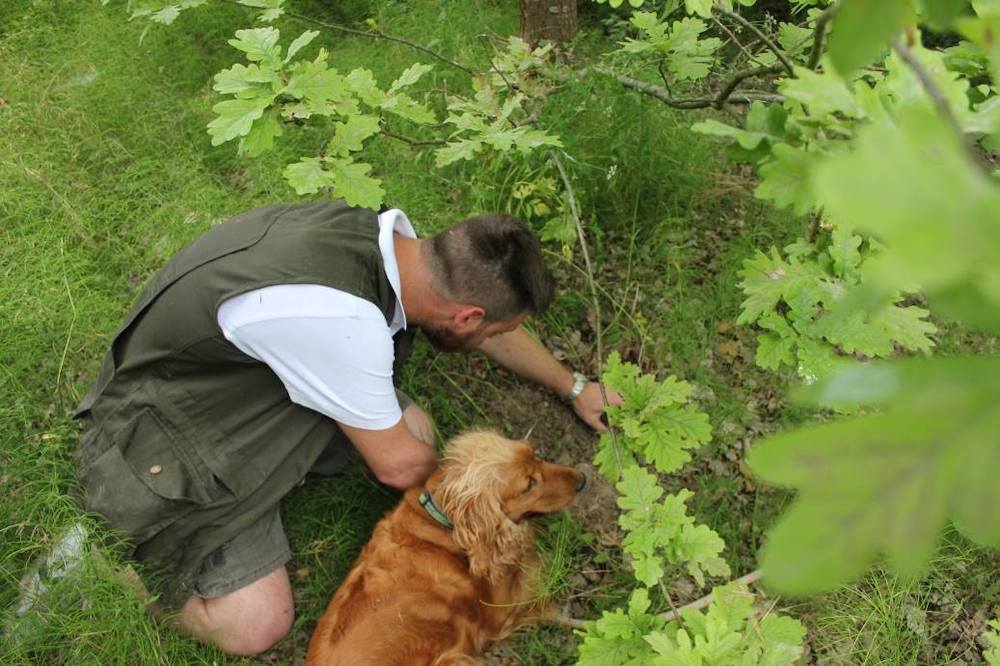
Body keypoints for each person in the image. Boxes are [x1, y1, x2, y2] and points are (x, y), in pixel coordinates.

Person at [74, 200, 620, 656]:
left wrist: (572, 387)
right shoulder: (342, 322)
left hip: (236, 389)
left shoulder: (391, 246)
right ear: (467, 317)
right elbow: (399, 465)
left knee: (415, 427)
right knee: (257, 625)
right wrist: (481, 499)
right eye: (493, 326)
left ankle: (290, 468)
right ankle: (114, 570)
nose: (493, 335)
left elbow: (490, 326)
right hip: (162, 443)